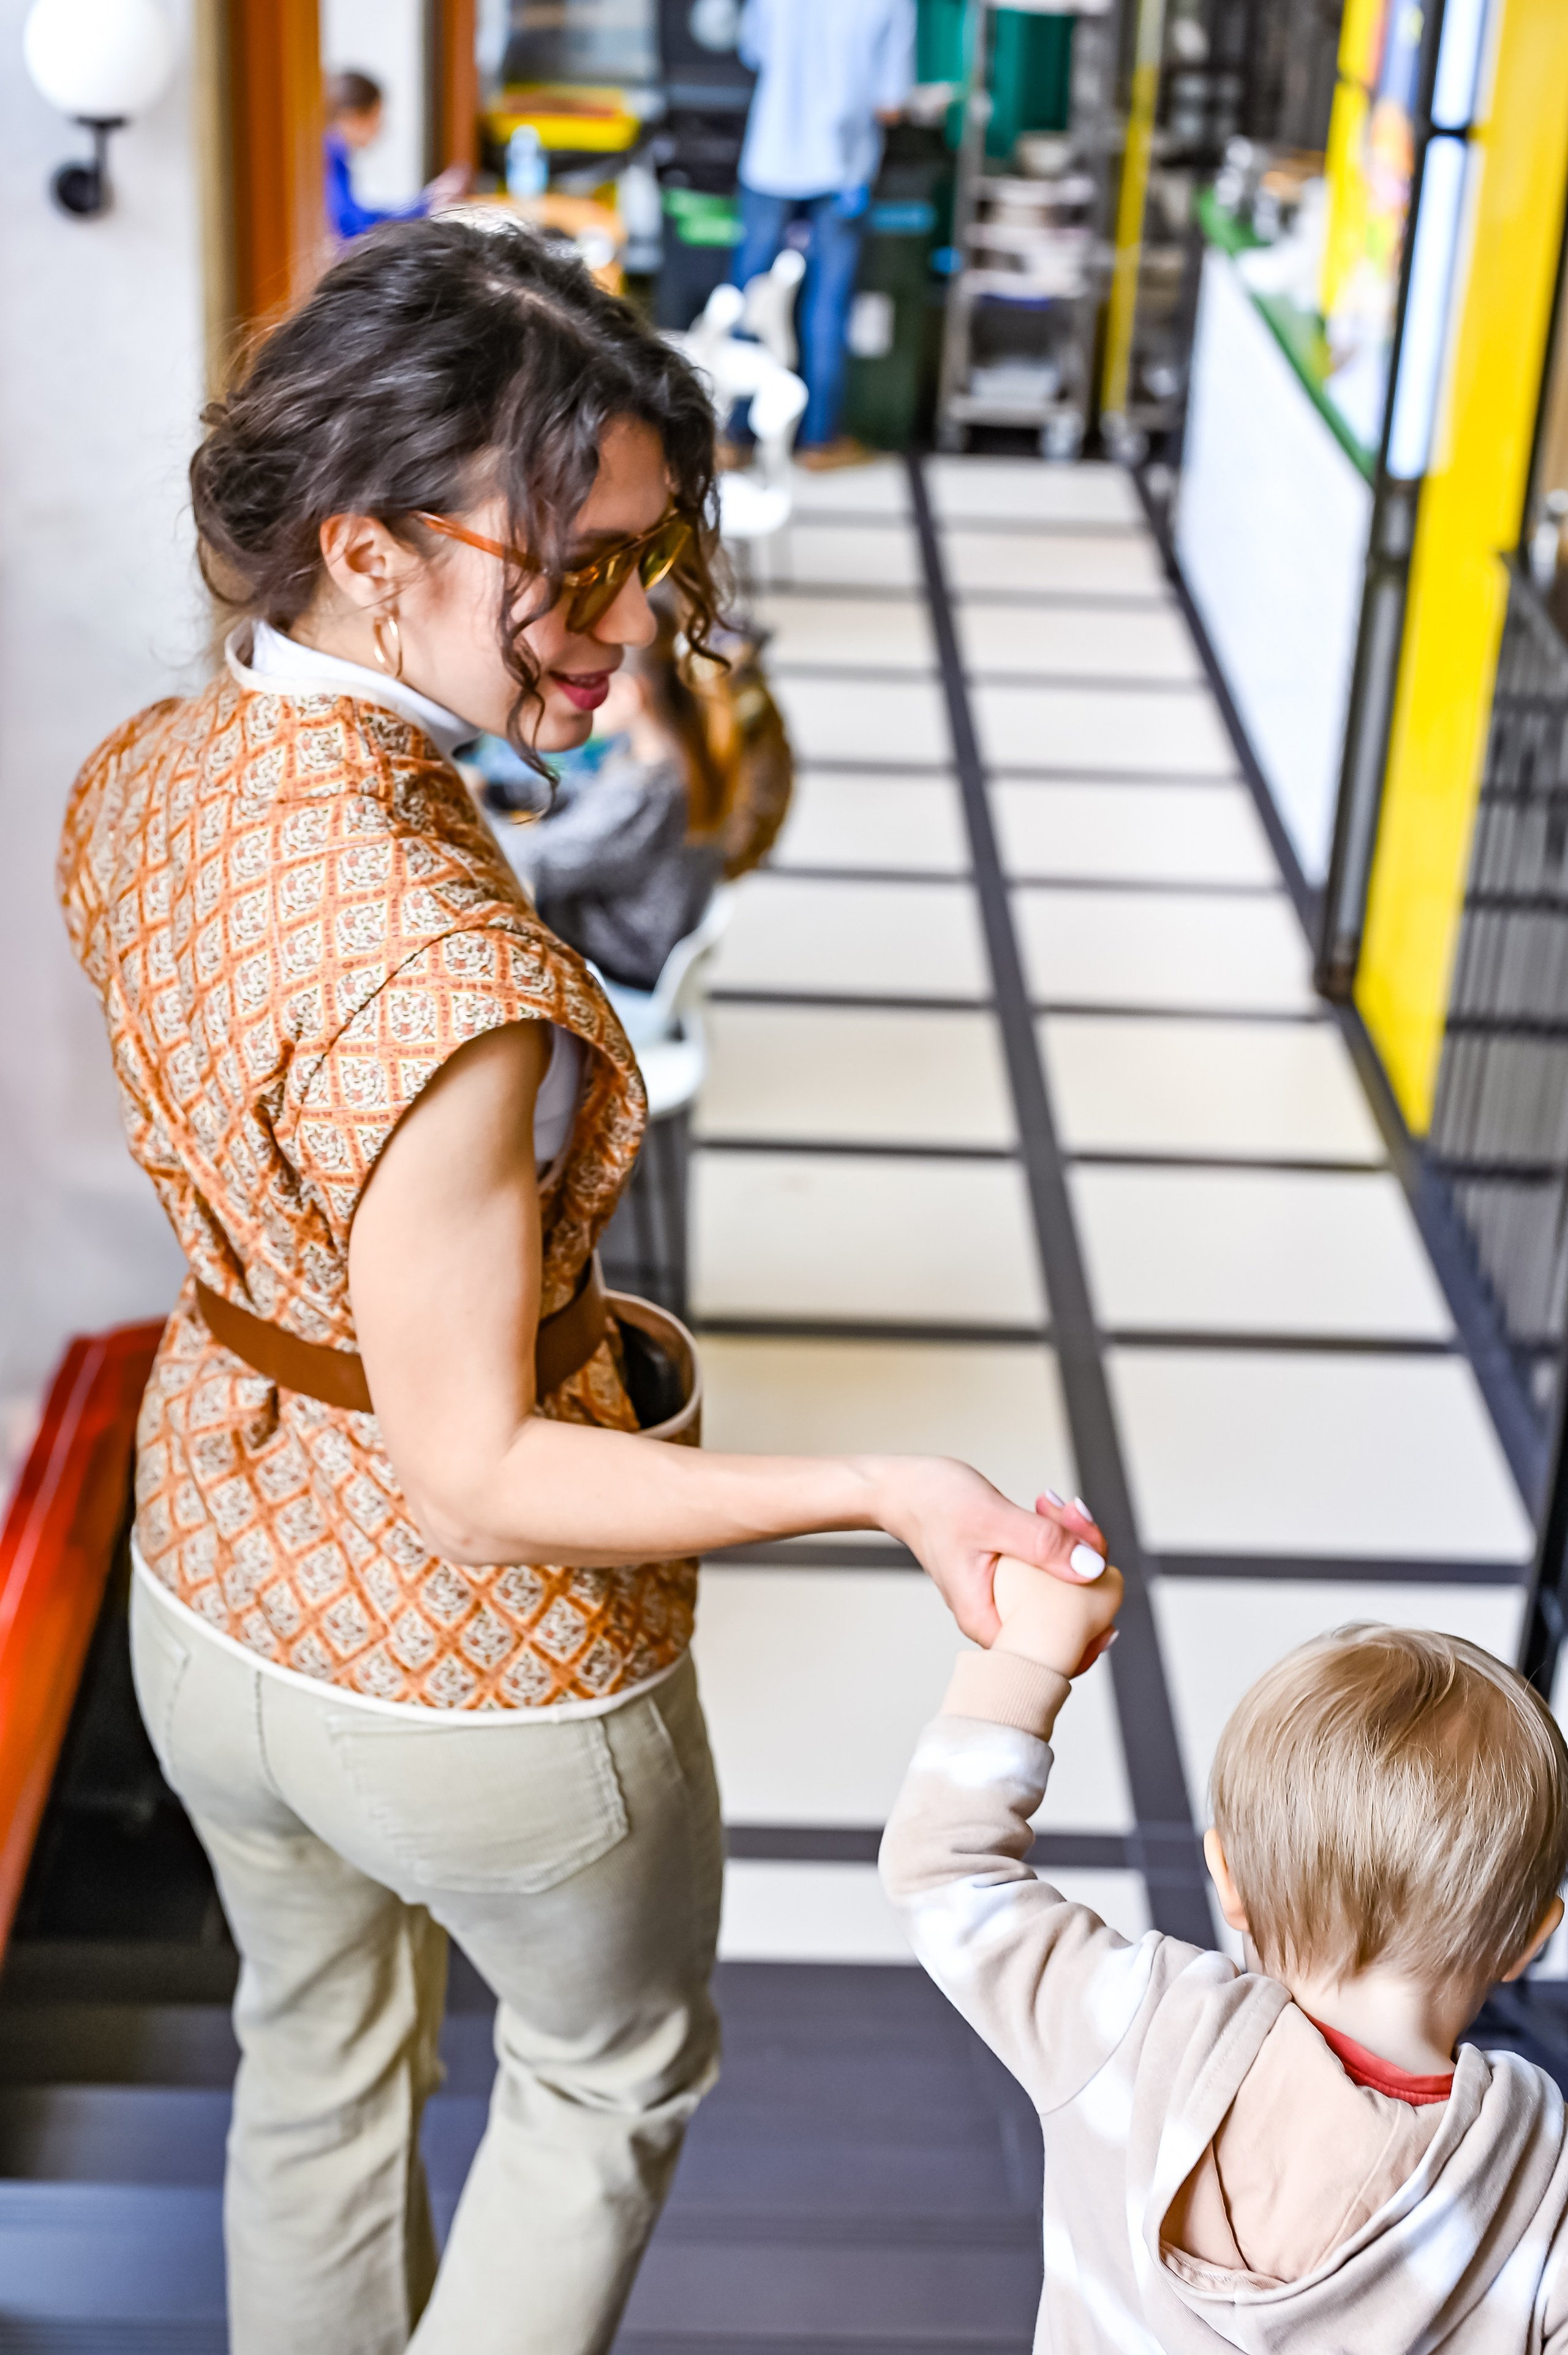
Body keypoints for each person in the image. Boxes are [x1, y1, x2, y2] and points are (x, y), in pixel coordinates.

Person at [57, 216, 1106, 2355]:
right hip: (464, 1678)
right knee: (607, 2073)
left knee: (317, 2066)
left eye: (643, 561)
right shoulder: (457, 990)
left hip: (206, 1573)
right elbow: (477, 1463)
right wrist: (888, 1482)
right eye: (575, 570)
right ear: (369, 546)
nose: (620, 642)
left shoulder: (146, 774)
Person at [882, 1578, 1568, 2350]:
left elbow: (943, 1870)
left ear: (1227, 1878)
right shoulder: (1536, 2185)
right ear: (1530, 1939)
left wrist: (1033, 1647)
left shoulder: (1138, 2035)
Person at [483, 598, 726, 992]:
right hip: (631, 938)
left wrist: (461, 814)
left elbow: (540, 862)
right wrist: (497, 790)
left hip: (621, 962)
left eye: (587, 684)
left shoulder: (649, 792)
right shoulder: (661, 754)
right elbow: (578, 799)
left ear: (630, 695)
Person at [731, 0, 916, 467]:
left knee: (748, 298)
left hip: (770, 158)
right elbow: (891, 103)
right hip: (842, 168)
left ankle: (732, 436)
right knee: (827, 307)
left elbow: (754, 51)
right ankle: (819, 440)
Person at [325, 69, 468, 243]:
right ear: (353, 116)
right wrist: (427, 203)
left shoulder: (335, 154)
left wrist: (426, 202)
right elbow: (356, 227)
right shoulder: (329, 157)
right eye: (377, 116)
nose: (381, 127)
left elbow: (364, 218)